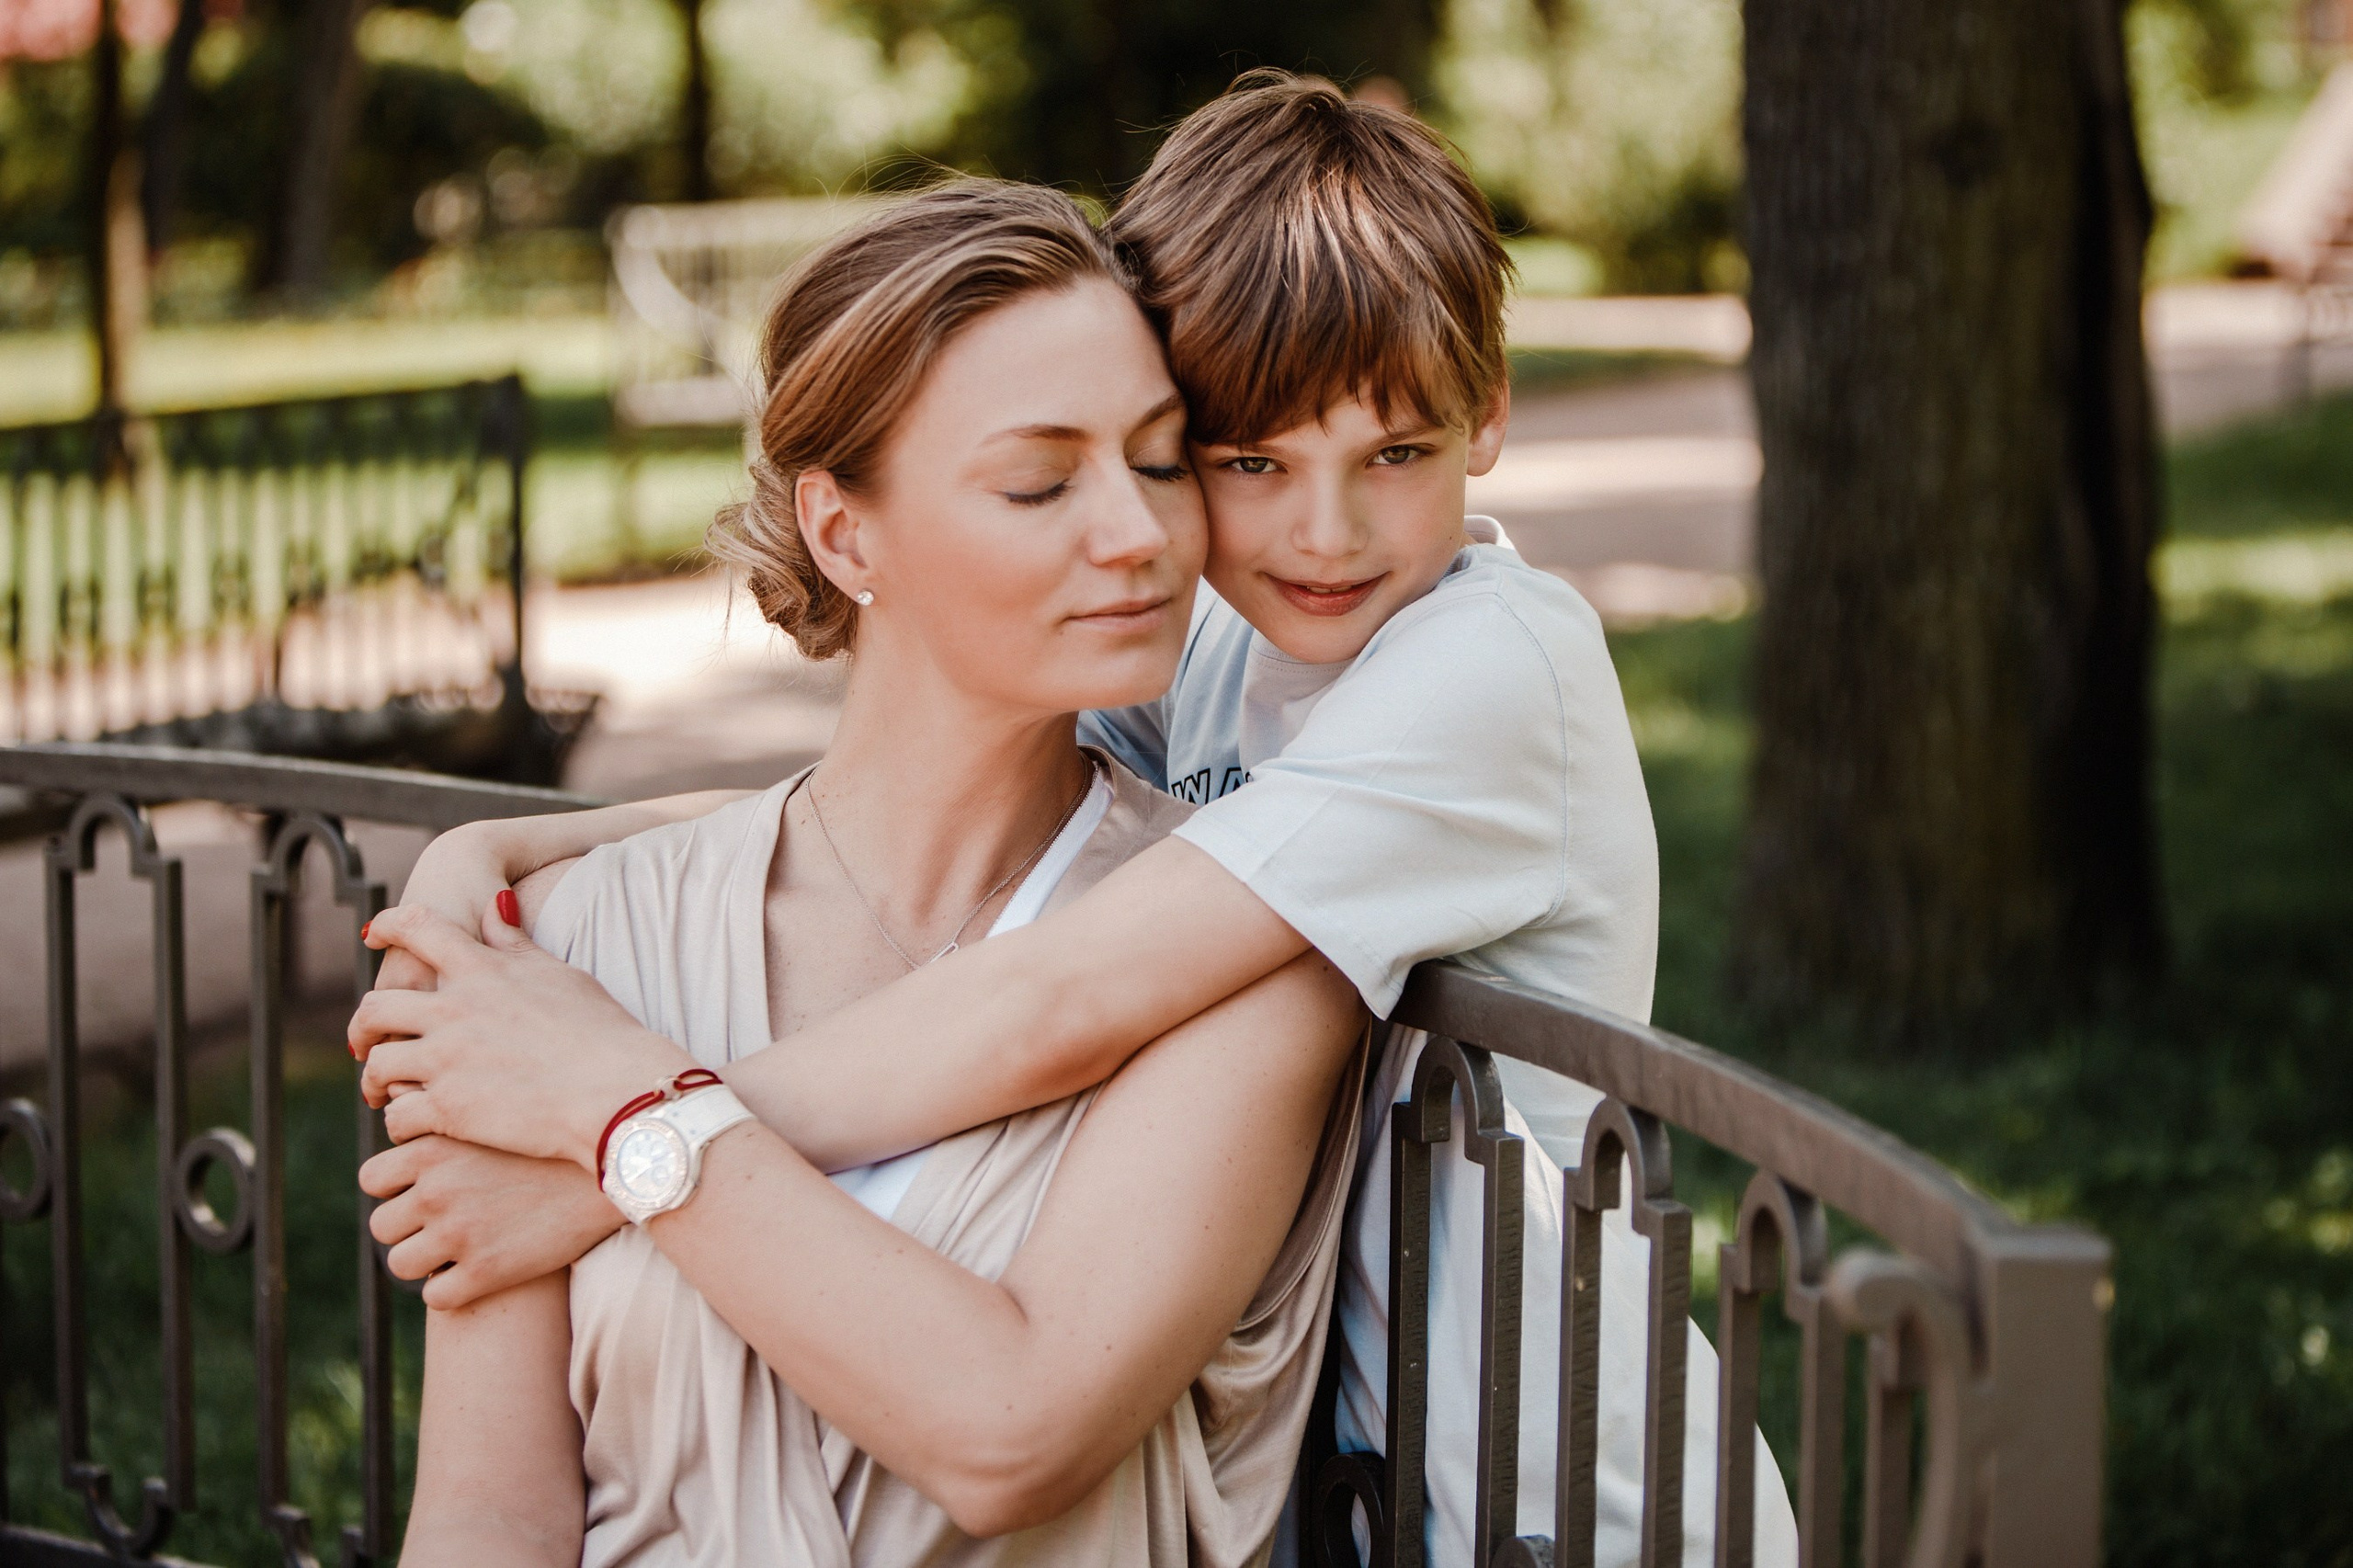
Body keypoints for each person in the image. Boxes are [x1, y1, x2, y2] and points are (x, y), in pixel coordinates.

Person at [369, 74, 1798, 1564]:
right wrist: (517, 847)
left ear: (1488, 416)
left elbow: (1066, 984)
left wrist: (623, 1125)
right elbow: (942, 780)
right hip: (1381, 1477)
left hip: (1575, 1498)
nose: (1323, 531)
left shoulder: (1491, 672)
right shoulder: (1243, 646)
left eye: (1395, 454)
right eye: (1245, 461)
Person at [355, 179, 1369, 1566]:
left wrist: (620, 1106)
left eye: (1163, 456)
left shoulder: (1236, 942)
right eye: (1040, 478)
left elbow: (1014, 1433)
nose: (1139, 532)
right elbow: (487, 1509)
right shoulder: (559, 945)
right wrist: (498, 863)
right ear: (843, 533)